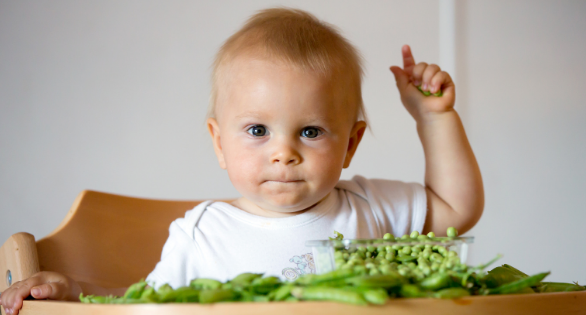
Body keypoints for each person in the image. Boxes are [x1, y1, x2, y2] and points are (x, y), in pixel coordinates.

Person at [0, 7, 484, 314]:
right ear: (218, 142)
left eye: (310, 132)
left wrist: (434, 119)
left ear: (351, 145)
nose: (283, 152)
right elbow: (143, 303)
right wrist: (73, 292)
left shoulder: (368, 207)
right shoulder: (203, 233)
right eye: (257, 130)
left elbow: (456, 209)